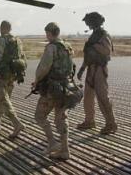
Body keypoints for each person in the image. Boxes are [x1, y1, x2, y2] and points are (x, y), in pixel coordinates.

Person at [32, 22, 75, 160]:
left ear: (50, 33)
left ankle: (52, 142)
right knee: (61, 118)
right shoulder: (67, 47)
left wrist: (37, 81)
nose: (46, 36)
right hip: (66, 88)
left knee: (39, 116)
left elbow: (44, 68)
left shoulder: (51, 47)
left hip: (52, 89)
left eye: (47, 33)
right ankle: (65, 150)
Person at [77, 12, 117, 134]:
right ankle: (89, 121)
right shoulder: (95, 35)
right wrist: (82, 69)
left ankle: (111, 124)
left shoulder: (103, 35)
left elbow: (107, 51)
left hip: (100, 69)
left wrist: (95, 46)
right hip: (91, 69)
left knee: (102, 97)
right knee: (88, 97)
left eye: (88, 22)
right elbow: (88, 54)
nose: (87, 24)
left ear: (94, 22)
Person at [0, 20, 26, 138]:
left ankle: (17, 123)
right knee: (4, 97)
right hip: (13, 74)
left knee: (2, 98)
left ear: (1, 28)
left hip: (2, 74)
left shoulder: (2, 40)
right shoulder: (18, 41)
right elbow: (22, 56)